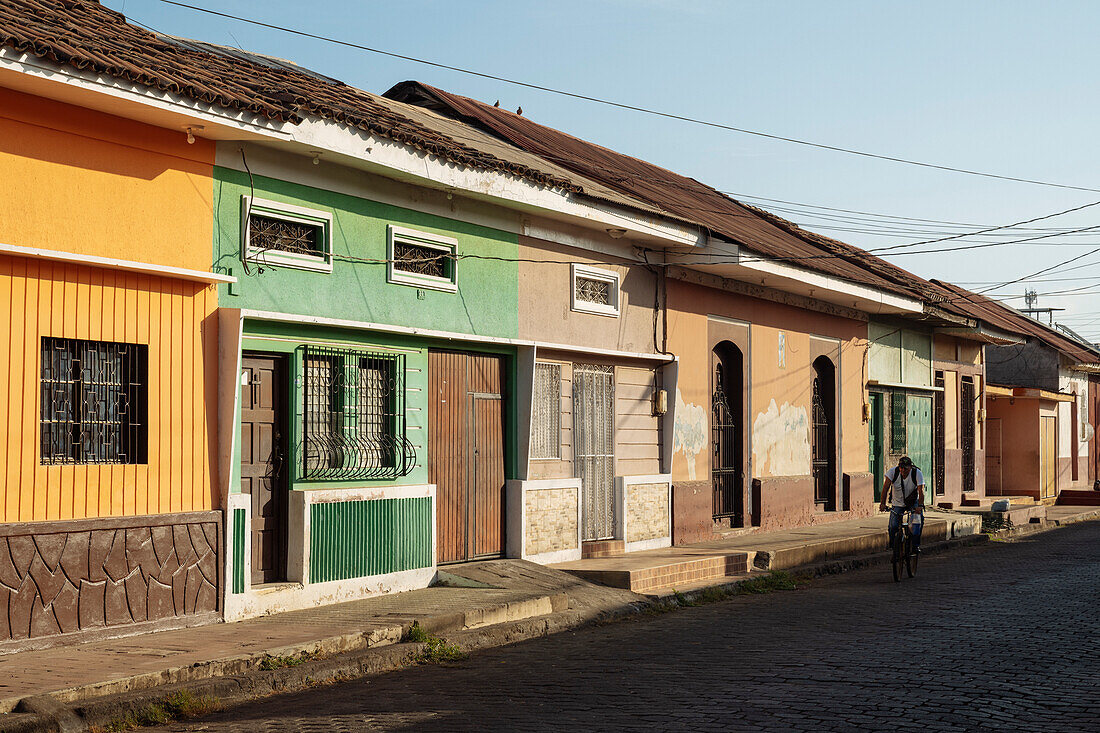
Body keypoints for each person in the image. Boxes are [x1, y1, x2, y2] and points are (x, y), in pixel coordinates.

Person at [879, 456, 925, 556]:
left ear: (911, 467)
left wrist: (920, 506)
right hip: (897, 503)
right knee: (893, 526)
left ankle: (915, 545)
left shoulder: (917, 473)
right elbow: (885, 488)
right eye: (901, 468)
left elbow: (921, 490)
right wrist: (883, 503)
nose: (903, 470)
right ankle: (894, 546)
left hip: (913, 502)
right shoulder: (893, 472)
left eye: (906, 468)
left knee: (917, 521)